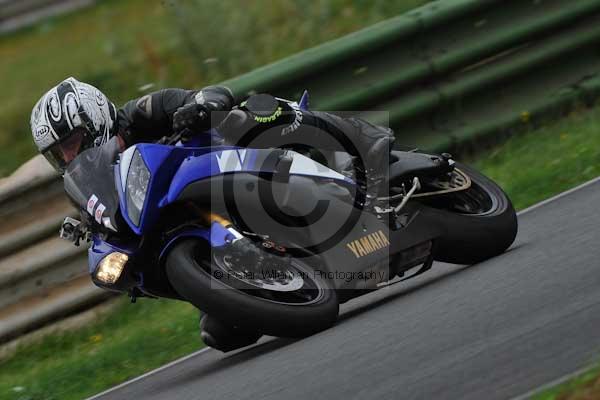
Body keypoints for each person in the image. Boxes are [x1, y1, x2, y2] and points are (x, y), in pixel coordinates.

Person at [30, 77, 395, 350]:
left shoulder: (142, 112)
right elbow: (106, 221)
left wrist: (200, 105)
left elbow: (202, 95)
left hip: (227, 162)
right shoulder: (86, 183)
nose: (67, 157)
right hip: (176, 220)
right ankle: (267, 276)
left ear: (93, 120)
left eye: (70, 143)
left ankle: (361, 142)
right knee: (219, 334)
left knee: (252, 112)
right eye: (58, 153)